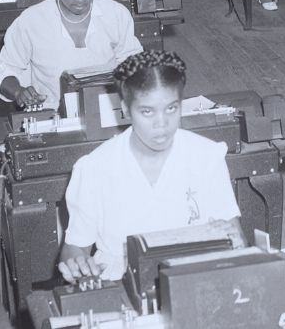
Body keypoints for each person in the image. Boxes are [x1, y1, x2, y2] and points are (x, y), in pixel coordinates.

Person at [57, 51, 243, 282]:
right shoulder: (94, 168)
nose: (162, 124)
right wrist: (76, 264)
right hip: (121, 282)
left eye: (171, 108)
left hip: (194, 277)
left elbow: (234, 237)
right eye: (147, 111)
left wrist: (232, 241)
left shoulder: (206, 156)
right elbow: (75, 247)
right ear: (125, 109)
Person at [0, 0, 142, 111]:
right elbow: (4, 70)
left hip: (108, 110)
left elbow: (134, 63)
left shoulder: (116, 15)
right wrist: (19, 91)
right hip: (51, 111)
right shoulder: (31, 21)